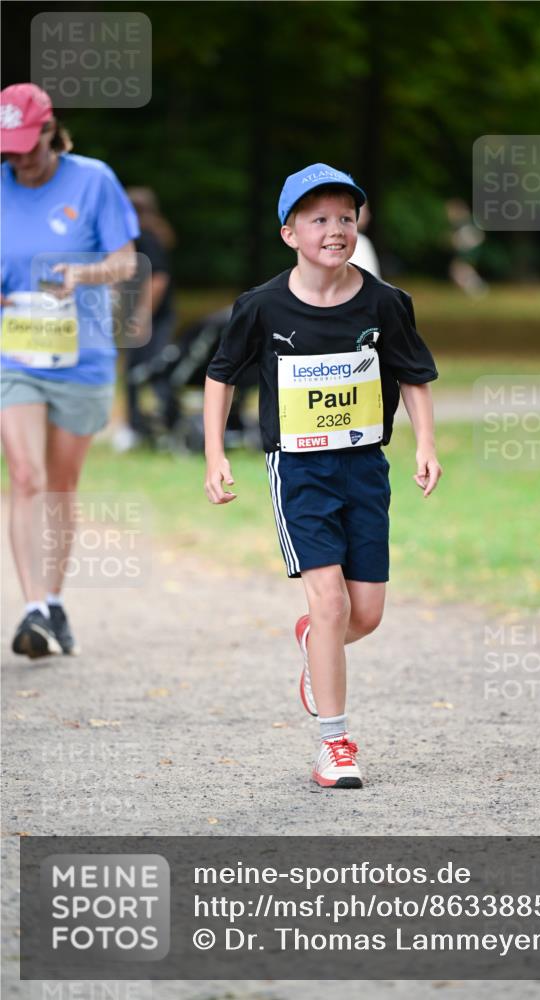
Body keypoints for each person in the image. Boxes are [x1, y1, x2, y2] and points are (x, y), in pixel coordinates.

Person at [204, 163, 441, 788]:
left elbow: (414, 374)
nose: (335, 229)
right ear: (290, 234)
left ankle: (316, 642)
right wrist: (214, 453)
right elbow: (220, 375)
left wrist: (426, 445)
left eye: (345, 217)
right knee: (332, 601)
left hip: (366, 467)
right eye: (318, 219)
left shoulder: (386, 303)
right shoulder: (261, 306)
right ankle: (333, 746)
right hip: (300, 470)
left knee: (365, 614)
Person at [1, 83, 138, 658]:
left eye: (28, 145)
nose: (19, 158)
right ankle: (32, 607)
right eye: (8, 149)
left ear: (53, 132)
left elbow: (125, 261)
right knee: (26, 477)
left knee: (60, 485)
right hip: (15, 357)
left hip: (84, 358)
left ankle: (53, 601)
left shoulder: (93, 180)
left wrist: (79, 276)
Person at [113, 186, 179, 452]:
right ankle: (147, 425)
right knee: (146, 371)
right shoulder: (152, 234)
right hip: (156, 317)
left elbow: (159, 279)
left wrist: (142, 315)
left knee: (142, 372)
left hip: (150, 319)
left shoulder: (145, 236)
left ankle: (140, 428)